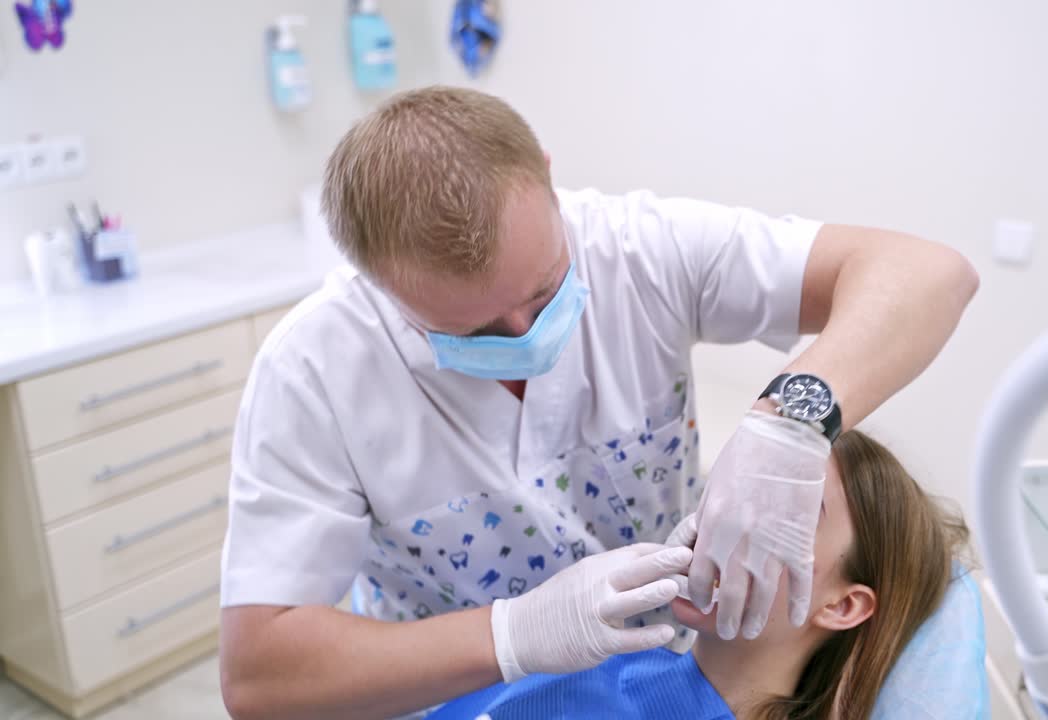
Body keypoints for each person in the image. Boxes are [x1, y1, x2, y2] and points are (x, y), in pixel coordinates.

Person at [219, 86, 979, 720]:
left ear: (548, 179)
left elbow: (929, 275)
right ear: (378, 284)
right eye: (475, 328)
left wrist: (789, 426)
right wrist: (515, 634)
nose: (524, 333)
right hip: (444, 690)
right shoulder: (313, 371)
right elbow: (258, 676)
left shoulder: (640, 249)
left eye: (546, 289)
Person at [428, 428, 977, 720]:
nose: (733, 515)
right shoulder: (601, 659)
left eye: (793, 511)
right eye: (744, 486)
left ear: (841, 605)